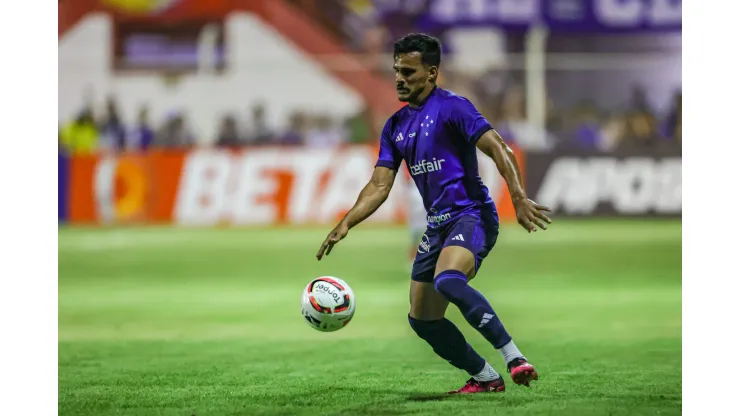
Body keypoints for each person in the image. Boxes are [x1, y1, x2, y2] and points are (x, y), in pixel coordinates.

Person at [316, 33, 552, 394]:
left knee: (448, 280)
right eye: (396, 70)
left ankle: (514, 357)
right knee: (423, 319)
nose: (399, 78)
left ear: (431, 73)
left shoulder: (454, 108)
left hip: (471, 215)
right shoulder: (395, 126)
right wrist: (347, 221)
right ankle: (486, 378)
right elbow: (380, 185)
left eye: (408, 72)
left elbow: (498, 147)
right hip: (437, 224)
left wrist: (518, 197)